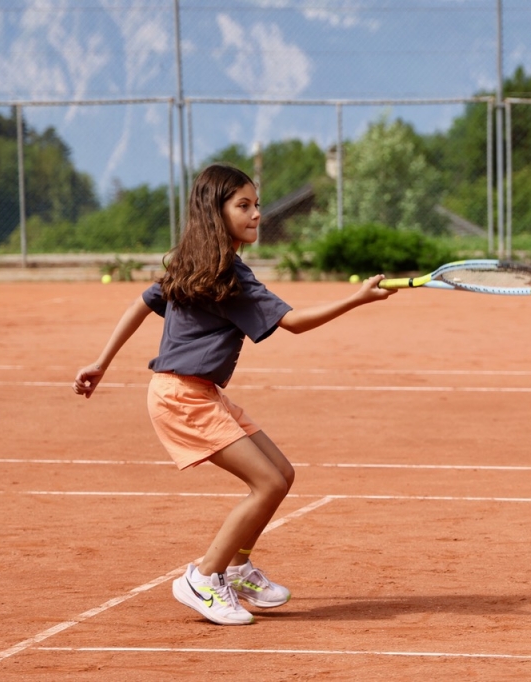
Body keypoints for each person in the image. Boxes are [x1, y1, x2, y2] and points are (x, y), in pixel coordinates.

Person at [73, 163, 395, 625]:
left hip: (198, 393)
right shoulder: (228, 275)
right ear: (215, 211)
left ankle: (239, 568)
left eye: (257, 204)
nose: (257, 214)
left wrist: (100, 363)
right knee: (265, 484)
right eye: (243, 205)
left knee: (281, 475)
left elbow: (137, 306)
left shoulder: (198, 264)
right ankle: (203, 578)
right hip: (182, 397)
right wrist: (355, 299)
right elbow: (294, 322)